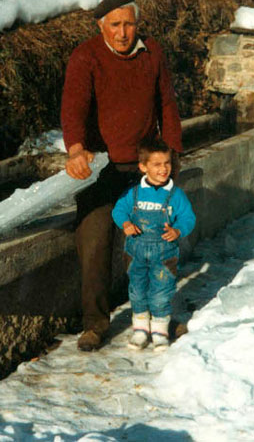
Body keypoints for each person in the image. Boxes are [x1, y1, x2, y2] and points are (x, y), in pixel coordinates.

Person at [61, 0, 183, 351]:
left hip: (144, 166)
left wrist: (172, 156)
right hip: (101, 168)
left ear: (137, 25)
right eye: (114, 25)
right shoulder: (86, 57)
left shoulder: (152, 52)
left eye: (129, 24)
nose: (122, 32)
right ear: (101, 26)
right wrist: (76, 149)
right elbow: (74, 109)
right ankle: (95, 324)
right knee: (95, 240)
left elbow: (167, 104)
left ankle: (160, 318)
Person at [111, 137, 195, 351]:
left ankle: (159, 331)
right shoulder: (134, 193)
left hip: (164, 254)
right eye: (157, 164)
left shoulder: (175, 195)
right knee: (137, 291)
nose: (164, 169)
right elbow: (118, 210)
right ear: (143, 167)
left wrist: (178, 230)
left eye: (167, 163)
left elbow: (188, 218)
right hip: (136, 251)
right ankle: (140, 329)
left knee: (161, 293)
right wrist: (126, 223)